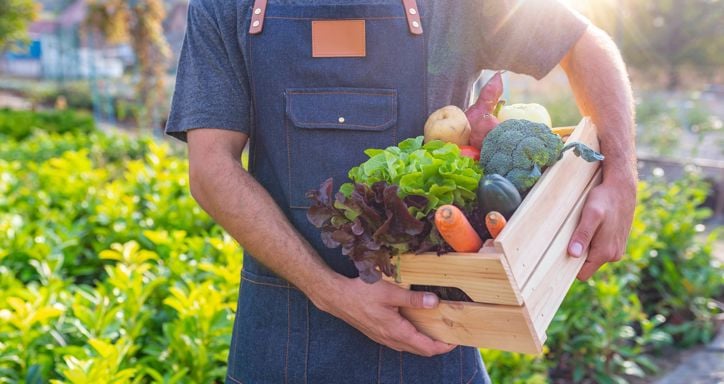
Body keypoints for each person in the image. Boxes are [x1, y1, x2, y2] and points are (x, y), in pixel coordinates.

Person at [165, 0, 637, 382]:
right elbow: (211, 168)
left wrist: (621, 177)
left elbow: (584, 45)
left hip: (435, 337)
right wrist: (329, 291)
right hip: (280, 343)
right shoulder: (224, 7)